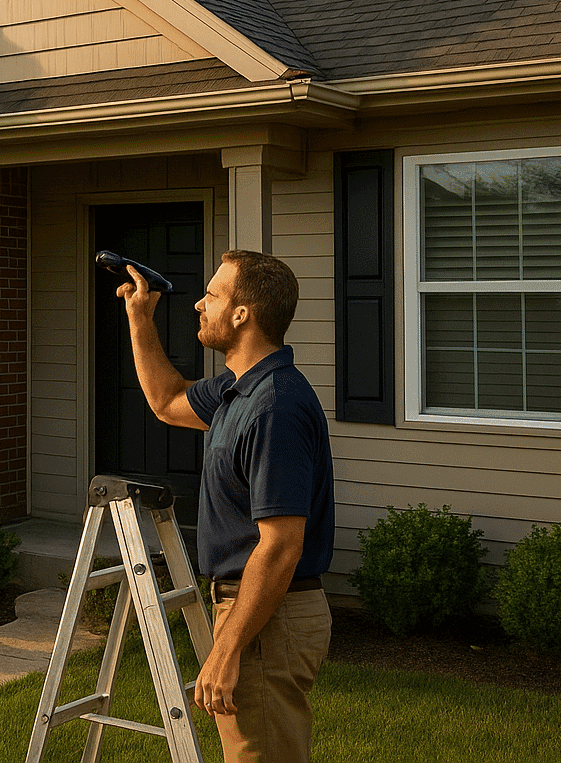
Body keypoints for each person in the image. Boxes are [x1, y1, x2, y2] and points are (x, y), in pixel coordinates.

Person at [117, 249, 334, 763]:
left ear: (242, 314)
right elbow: (167, 401)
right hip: (255, 609)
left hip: (267, 613)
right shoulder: (240, 391)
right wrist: (140, 321)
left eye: (212, 295)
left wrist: (229, 647)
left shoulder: (274, 406)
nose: (198, 304)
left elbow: (281, 545)